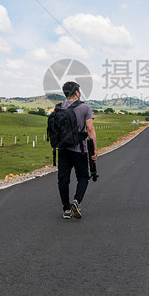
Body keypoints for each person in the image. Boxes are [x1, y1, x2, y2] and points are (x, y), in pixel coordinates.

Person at [56, 81, 97, 219]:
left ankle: (66, 209)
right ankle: (76, 201)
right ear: (77, 93)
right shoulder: (85, 107)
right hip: (79, 149)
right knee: (84, 177)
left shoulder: (58, 108)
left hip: (62, 149)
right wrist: (94, 151)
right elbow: (90, 129)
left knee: (63, 179)